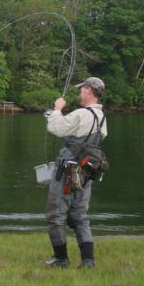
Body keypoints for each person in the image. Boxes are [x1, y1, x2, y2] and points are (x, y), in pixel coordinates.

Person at [43, 77, 108, 269]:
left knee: (55, 215)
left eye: (82, 89)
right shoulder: (102, 117)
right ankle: (88, 261)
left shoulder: (82, 114)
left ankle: (61, 259)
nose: (80, 92)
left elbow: (56, 128)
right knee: (80, 215)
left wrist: (57, 109)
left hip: (67, 171)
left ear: (88, 90)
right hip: (86, 172)